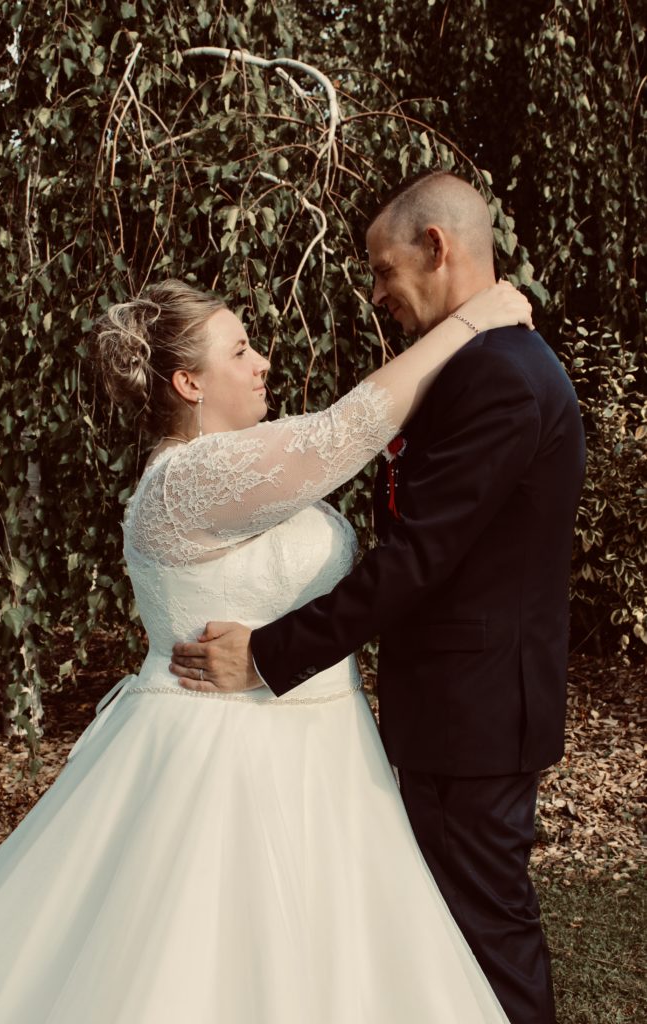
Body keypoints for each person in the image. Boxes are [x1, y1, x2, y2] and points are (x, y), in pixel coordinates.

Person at [0, 270, 531, 1022]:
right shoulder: (187, 479)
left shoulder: (243, 464)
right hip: (221, 759)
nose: (262, 361)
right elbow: (343, 432)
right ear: (188, 383)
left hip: (326, 750)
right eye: (239, 351)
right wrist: (470, 321)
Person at [169, 172, 587, 1024]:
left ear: (436, 248)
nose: (374, 293)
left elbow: (415, 559)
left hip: (474, 712)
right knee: (450, 936)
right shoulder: (477, 362)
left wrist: (268, 654)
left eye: (382, 269)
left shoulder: (500, 376)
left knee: (483, 936)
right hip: (459, 704)